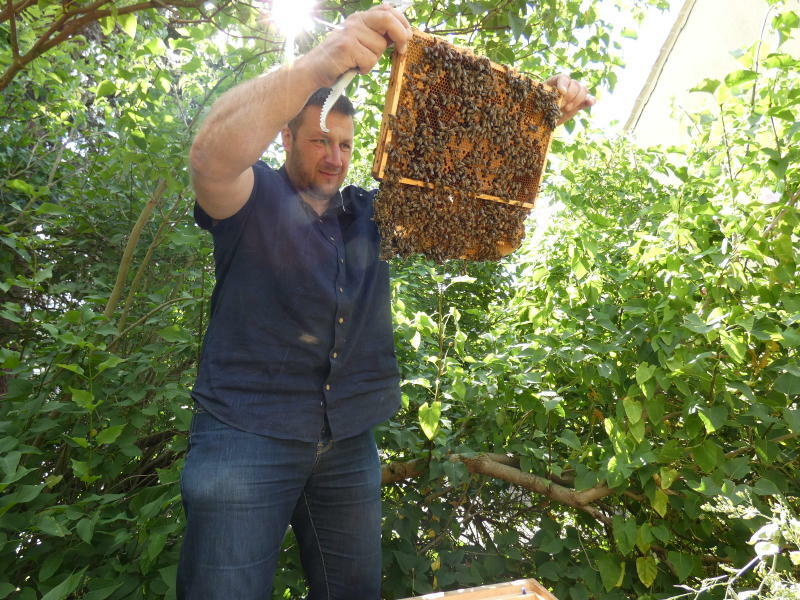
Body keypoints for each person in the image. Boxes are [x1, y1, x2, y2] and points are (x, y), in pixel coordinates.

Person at [177, 4, 594, 599]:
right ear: (285, 137)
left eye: (345, 144)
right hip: (245, 434)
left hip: (349, 441)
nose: (335, 156)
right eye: (320, 140)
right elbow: (209, 156)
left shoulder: (375, 214)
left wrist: (535, 113)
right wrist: (321, 63)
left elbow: (472, 182)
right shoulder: (251, 198)